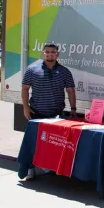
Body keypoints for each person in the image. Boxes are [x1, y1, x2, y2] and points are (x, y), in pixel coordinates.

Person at [21, 42, 77, 179]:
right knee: (33, 144)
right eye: (47, 52)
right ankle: (30, 169)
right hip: (36, 113)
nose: (50, 54)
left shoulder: (64, 72)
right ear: (43, 53)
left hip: (56, 115)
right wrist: (25, 107)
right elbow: (25, 89)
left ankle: (51, 168)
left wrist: (73, 109)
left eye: (53, 52)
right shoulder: (32, 70)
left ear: (57, 54)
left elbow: (70, 91)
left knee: (53, 144)